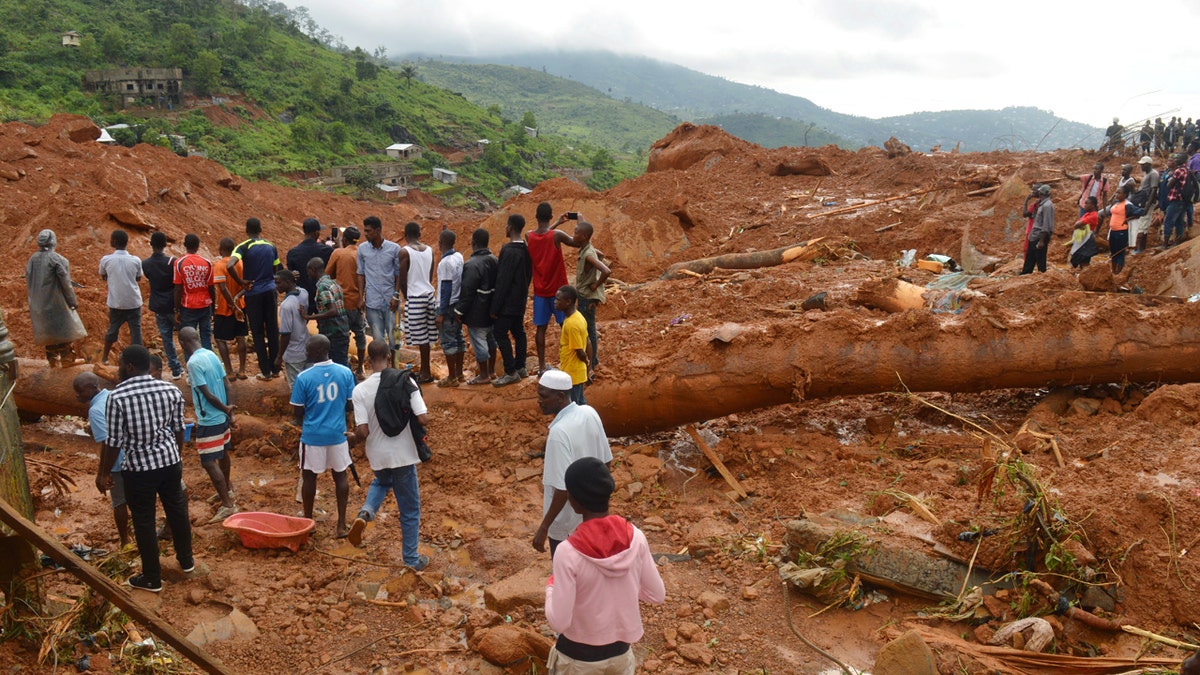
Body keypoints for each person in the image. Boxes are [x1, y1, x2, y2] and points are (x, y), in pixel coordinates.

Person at [544, 457, 665, 674]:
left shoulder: (567, 552)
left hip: (577, 660)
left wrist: (550, 587)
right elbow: (657, 595)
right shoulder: (636, 537)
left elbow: (559, 623)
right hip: (620, 656)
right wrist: (623, 584)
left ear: (573, 500)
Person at [102, 345, 192, 592]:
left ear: (130, 366)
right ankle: (186, 561)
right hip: (169, 462)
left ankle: (151, 578)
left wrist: (103, 473)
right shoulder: (170, 389)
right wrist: (176, 456)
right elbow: (178, 429)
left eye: (120, 363)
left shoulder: (117, 396)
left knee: (143, 520)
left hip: (139, 469)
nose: (118, 368)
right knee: (177, 510)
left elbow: (113, 442)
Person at [345, 341, 429, 570]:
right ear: (390, 358)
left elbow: (362, 431)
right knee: (410, 510)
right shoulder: (405, 380)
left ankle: (366, 511)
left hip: (377, 454)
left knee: (382, 481)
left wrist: (353, 439)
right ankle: (411, 559)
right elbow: (422, 418)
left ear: (368, 361)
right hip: (403, 455)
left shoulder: (360, 389)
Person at [532, 370, 613, 557]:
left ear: (560, 396)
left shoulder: (558, 434)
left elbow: (561, 490)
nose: (539, 401)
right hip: (591, 516)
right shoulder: (589, 413)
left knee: (566, 576)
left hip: (565, 524)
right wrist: (598, 504)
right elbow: (606, 463)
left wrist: (544, 528)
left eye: (543, 396)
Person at [290, 334, 356, 538]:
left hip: (313, 436)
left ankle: (309, 522)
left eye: (308, 350)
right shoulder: (345, 372)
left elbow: (297, 411)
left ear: (317, 352)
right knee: (341, 475)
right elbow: (350, 403)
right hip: (338, 434)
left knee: (309, 477)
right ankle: (341, 525)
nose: (306, 352)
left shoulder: (303, 377)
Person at [178, 327, 239, 524]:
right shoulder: (211, 354)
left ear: (182, 343)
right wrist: (229, 412)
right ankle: (227, 489)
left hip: (209, 419)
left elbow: (207, 395)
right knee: (223, 453)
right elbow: (227, 385)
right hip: (222, 417)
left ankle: (228, 504)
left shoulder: (193, 363)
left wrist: (224, 409)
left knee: (208, 461)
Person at [526, 203, 581, 375]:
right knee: (566, 324)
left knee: (541, 328)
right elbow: (577, 242)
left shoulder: (529, 236)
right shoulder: (557, 236)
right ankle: (573, 361)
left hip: (540, 291)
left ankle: (542, 366)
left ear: (536, 216)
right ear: (550, 216)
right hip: (560, 292)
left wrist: (556, 223)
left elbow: (541, 235)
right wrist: (579, 221)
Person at [75, 372, 128, 547]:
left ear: (91, 388)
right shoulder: (114, 395)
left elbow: (108, 443)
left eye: (80, 391)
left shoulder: (96, 410)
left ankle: (125, 541)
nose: (77, 396)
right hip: (135, 457)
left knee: (119, 502)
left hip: (118, 462)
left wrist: (103, 473)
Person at [228, 217, 283, 380]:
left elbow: (230, 265)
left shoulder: (243, 246)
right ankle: (276, 370)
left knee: (258, 332)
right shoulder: (271, 245)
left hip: (253, 293)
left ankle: (265, 372)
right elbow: (276, 268)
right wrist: (270, 279)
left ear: (246, 230)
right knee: (273, 330)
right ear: (261, 229)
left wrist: (241, 282)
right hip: (270, 291)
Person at [26, 229, 87, 367]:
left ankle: (52, 360)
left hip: (38, 304)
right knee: (65, 330)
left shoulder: (32, 259)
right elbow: (66, 284)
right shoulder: (57, 259)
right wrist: (72, 301)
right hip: (57, 302)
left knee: (49, 332)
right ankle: (67, 359)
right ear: (54, 241)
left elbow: (29, 280)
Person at [491, 214, 533, 387]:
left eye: (507, 226)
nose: (505, 228)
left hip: (507, 302)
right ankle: (521, 366)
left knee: (500, 333)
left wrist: (495, 306)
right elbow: (529, 274)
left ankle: (510, 371)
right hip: (520, 299)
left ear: (511, 227)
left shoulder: (508, 250)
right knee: (518, 331)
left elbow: (503, 281)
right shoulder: (526, 248)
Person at [454, 228, 499, 385]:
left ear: (473, 243)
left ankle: (484, 374)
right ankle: (492, 371)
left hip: (477, 313)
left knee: (480, 343)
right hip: (492, 311)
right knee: (492, 340)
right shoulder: (494, 259)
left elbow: (467, 291)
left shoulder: (472, 264)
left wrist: (459, 311)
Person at [398, 221, 437, 383]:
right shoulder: (430, 250)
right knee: (427, 337)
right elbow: (429, 275)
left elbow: (402, 279)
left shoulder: (404, 252)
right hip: (429, 295)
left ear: (405, 235)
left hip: (415, 297)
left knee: (420, 338)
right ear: (419, 234)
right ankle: (426, 371)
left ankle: (425, 373)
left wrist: (407, 297)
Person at [356, 216, 402, 350]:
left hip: (390, 302)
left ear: (378, 230)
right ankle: (382, 370)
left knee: (395, 338)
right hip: (372, 302)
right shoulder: (362, 249)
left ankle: (394, 368)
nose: (365, 234)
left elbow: (399, 275)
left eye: (368, 231)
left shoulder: (394, 249)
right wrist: (361, 297)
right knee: (378, 340)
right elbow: (360, 274)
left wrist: (396, 295)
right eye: (365, 231)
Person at [326, 226, 366, 378]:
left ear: (345, 239)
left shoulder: (338, 253)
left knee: (341, 337)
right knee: (360, 335)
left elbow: (327, 274)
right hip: (359, 303)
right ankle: (361, 369)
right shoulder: (362, 255)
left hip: (341, 304)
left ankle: (343, 369)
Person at [99, 229, 144, 364]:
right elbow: (139, 277)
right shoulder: (135, 260)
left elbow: (102, 275)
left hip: (116, 302)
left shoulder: (106, 260)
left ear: (114, 242)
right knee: (136, 332)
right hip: (133, 302)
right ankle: (138, 362)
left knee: (112, 329)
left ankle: (105, 358)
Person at [142, 231, 182, 378]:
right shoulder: (173, 262)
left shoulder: (145, 264)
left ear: (151, 245)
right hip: (174, 305)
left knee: (167, 339)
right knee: (184, 336)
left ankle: (175, 369)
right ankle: (190, 370)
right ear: (165, 245)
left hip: (158, 306)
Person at [573, 221, 610, 369]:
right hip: (585, 296)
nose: (573, 235)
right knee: (589, 328)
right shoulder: (587, 249)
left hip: (586, 297)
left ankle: (592, 361)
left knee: (589, 330)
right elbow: (601, 255)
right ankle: (593, 359)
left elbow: (606, 271)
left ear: (584, 236)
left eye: (576, 233)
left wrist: (595, 284)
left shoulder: (588, 254)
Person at [212, 237, 249, 380]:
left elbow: (222, 287)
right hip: (241, 305)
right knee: (241, 336)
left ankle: (229, 371)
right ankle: (242, 370)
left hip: (224, 307)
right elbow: (246, 285)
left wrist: (232, 306)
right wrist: (237, 301)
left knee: (220, 339)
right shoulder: (240, 263)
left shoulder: (219, 265)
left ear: (220, 250)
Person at [304, 257, 351, 368]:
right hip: (342, 330)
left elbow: (333, 311)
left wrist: (309, 317)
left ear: (312, 269)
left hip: (334, 333)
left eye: (308, 272)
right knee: (341, 364)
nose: (308, 275)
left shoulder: (322, 287)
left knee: (341, 366)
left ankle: (353, 385)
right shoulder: (333, 283)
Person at [173, 233, 215, 351]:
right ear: (198, 246)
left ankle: (192, 366)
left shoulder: (179, 263)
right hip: (205, 305)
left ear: (184, 245)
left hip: (188, 306)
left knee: (188, 339)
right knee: (206, 337)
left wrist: (176, 310)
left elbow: (178, 288)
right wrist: (213, 307)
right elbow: (211, 287)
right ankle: (209, 363)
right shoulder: (207, 263)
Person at [436, 229, 465, 386]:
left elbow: (445, 288)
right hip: (457, 304)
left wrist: (441, 313)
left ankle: (452, 377)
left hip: (447, 306)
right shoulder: (458, 257)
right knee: (458, 338)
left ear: (441, 243)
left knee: (448, 341)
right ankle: (460, 373)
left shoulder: (446, 263)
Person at [286, 218, 333, 314]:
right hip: (322, 297)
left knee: (300, 326)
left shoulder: (293, 253)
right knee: (324, 326)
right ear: (316, 233)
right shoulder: (327, 251)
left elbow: (292, 276)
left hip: (302, 298)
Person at [555, 285, 591, 405]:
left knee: (575, 406)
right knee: (580, 403)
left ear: (568, 301)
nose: (555, 302)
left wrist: (586, 362)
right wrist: (588, 368)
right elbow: (588, 342)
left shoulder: (572, 324)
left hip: (573, 373)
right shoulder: (579, 317)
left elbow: (580, 351)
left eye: (558, 299)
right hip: (576, 372)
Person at [275, 269, 311, 387]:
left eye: (278, 283)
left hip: (293, 353)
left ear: (288, 282)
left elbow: (285, 334)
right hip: (306, 346)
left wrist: (279, 356)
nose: (276, 286)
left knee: (297, 388)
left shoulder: (286, 306)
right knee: (309, 385)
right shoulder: (304, 293)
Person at [1099, 186, 1145, 274]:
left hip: (1121, 232)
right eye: (1116, 192)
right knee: (1113, 252)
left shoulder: (1128, 205)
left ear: (1125, 195)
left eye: (1119, 193)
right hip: (1113, 230)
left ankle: (1118, 273)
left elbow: (1141, 212)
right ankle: (1113, 271)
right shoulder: (1116, 203)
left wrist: (1128, 219)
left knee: (1120, 253)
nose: (1117, 195)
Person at [1021, 184, 1054, 275]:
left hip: (1039, 236)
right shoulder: (1041, 204)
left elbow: (1046, 224)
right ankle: (1025, 274)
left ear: (1041, 193)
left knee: (1040, 260)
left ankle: (1041, 277)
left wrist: (1041, 240)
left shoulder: (1047, 206)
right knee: (1030, 258)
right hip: (1035, 235)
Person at [1130, 156, 1160, 253]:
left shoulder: (1153, 174)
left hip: (1147, 202)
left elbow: (1154, 190)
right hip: (1142, 202)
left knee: (1143, 225)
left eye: (1143, 165)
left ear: (1148, 165)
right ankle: (1139, 247)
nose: (1141, 167)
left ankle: (1141, 248)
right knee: (1142, 223)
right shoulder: (1147, 174)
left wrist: (1148, 205)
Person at [1162, 153, 1191, 248]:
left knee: (1168, 221)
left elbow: (1169, 185)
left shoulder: (1179, 170)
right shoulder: (1187, 169)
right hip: (1184, 199)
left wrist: (1170, 180)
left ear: (1181, 160)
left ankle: (1165, 244)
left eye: (1178, 158)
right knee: (1179, 221)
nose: (1176, 160)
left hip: (1176, 199)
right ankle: (1177, 243)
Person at [1068, 197, 1100, 269]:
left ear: (1092, 205)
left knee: (1084, 260)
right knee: (1079, 259)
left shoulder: (1093, 216)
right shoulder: (1088, 214)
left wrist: (1078, 225)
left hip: (1086, 241)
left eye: (1086, 203)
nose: (1084, 205)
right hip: (1082, 240)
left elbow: (1077, 225)